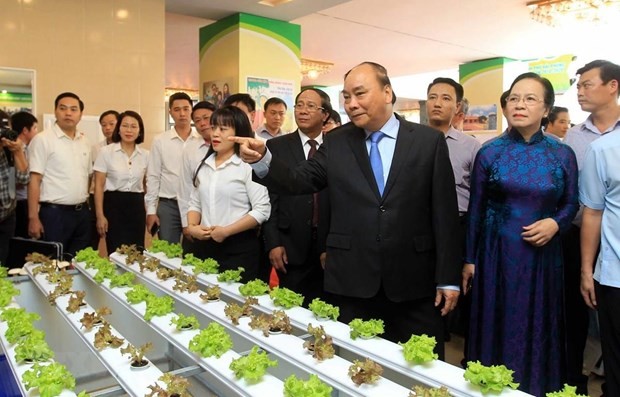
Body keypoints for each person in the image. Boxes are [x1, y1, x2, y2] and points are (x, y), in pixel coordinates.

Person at [232, 62, 461, 357]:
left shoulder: (427, 141)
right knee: (355, 366)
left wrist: (448, 277)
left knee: (421, 367)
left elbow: (444, 214)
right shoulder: (337, 141)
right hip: (353, 280)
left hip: (413, 279)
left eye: (359, 94)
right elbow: (300, 179)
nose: (351, 104)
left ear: (387, 92)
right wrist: (264, 158)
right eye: (346, 97)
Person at [462, 72, 579, 396]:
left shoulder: (561, 154)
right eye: (514, 98)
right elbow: (475, 210)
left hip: (543, 259)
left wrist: (556, 223)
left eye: (529, 99)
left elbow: (571, 203)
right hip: (496, 255)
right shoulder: (490, 152)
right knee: (497, 322)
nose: (519, 104)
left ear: (546, 110)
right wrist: (469, 260)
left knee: (538, 324)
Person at [565, 59, 620, 396]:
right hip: (579, 237)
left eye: (587, 84)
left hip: (611, 242)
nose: (580, 91)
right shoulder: (573, 137)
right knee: (581, 318)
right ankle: (579, 379)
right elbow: (585, 207)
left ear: (612, 86)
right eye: (578, 85)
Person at [426, 77, 480, 356]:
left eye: (445, 98)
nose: (437, 103)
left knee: (451, 289)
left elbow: (479, 196)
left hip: (456, 226)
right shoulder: (410, 141)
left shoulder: (471, 147)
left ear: (457, 106)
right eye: (432, 97)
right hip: (418, 226)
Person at [263, 88, 331, 305]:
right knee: (290, 308)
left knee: (327, 310)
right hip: (289, 243)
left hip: (328, 244)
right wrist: (273, 242)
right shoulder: (277, 146)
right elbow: (270, 198)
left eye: (311, 106)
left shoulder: (337, 146)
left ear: (325, 114)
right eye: (299, 105)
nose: (303, 111)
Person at [187, 106, 270, 282]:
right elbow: (195, 203)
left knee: (234, 303)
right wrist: (193, 227)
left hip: (239, 247)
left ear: (238, 133)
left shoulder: (248, 165)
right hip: (205, 245)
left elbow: (262, 210)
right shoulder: (203, 164)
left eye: (223, 129)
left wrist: (226, 231)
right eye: (213, 127)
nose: (215, 134)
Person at [580, 114, 620, 397]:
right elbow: (593, 213)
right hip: (615, 275)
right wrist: (586, 270)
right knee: (616, 359)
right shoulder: (604, 148)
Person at [28, 92, 92, 258]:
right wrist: (33, 217)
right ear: (55, 111)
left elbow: (88, 176)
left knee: (79, 262)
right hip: (54, 214)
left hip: (82, 212)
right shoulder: (43, 139)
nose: (68, 113)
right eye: (63, 108)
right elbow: (34, 180)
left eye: (73, 109)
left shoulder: (84, 141)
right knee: (52, 264)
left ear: (80, 114)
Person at [146, 92, 202, 244]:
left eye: (186, 108)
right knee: (167, 252)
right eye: (177, 109)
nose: (182, 113)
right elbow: (153, 176)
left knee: (194, 250)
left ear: (192, 110)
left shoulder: (202, 140)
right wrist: (151, 211)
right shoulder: (160, 140)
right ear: (170, 112)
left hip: (195, 204)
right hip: (168, 205)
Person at [94, 111, 149, 255]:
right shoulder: (105, 152)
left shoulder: (146, 155)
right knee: (116, 252)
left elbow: (147, 186)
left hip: (136, 207)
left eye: (133, 126)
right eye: (125, 126)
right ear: (118, 129)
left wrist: (151, 211)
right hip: (113, 206)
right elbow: (99, 186)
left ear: (140, 130)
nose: (129, 130)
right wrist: (100, 215)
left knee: (137, 252)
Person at [178, 101, 215, 256]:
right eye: (197, 120)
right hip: (196, 217)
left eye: (206, 118)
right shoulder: (190, 149)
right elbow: (185, 188)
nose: (202, 123)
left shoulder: (230, 145)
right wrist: (186, 223)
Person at [0, 111, 29, 265]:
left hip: (7, 216)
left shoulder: (9, 150)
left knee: (5, 261)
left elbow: (23, 178)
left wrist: (17, 151)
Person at [10, 111, 38, 239]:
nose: (37, 132)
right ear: (25, 130)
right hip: (19, 203)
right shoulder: (15, 148)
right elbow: (22, 178)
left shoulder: (28, 148)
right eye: (35, 128)